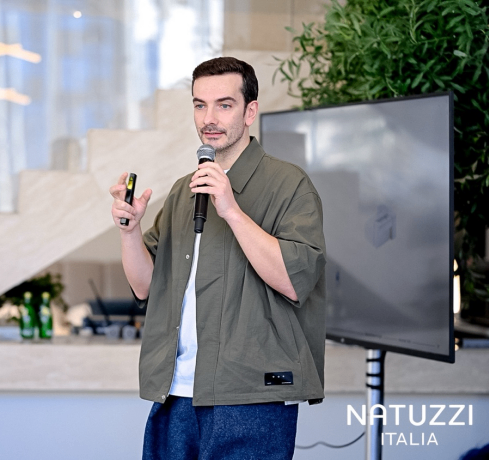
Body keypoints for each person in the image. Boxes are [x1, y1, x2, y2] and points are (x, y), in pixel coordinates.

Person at [109, 57, 326, 460]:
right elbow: (145, 286)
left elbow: (294, 280)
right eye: (200, 105)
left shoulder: (289, 184)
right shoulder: (184, 191)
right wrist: (129, 231)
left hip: (251, 395)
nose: (209, 118)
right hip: (175, 392)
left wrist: (231, 210)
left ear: (250, 112)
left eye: (224, 105)